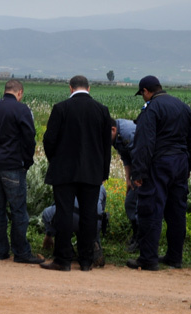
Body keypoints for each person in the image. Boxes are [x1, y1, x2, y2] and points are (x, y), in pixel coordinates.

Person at [41, 75, 112, 272]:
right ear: (89, 88)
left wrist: (54, 160)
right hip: (92, 173)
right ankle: (86, 260)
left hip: (64, 171)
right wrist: (103, 171)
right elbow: (107, 146)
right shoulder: (102, 110)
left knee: (64, 212)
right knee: (89, 214)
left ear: (70, 88)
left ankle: (63, 260)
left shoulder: (61, 108)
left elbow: (49, 140)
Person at [127, 75, 191, 271]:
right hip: (180, 162)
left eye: (142, 94)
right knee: (177, 211)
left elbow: (145, 143)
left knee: (151, 208)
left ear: (146, 91)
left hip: (160, 163)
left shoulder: (152, 108)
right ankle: (175, 257)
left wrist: (139, 172)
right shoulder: (183, 106)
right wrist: (190, 166)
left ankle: (148, 258)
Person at [0, 79, 44, 264]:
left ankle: (0, 251)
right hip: (14, 166)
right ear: (19, 92)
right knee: (18, 210)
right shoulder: (22, 110)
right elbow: (29, 137)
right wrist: (27, 161)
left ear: (5, 90)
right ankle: (21, 252)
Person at [41, 185, 107, 267]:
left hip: (72, 217)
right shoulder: (100, 187)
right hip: (93, 222)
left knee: (49, 213)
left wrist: (49, 234)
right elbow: (102, 212)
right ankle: (92, 246)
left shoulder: (69, 182)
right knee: (94, 219)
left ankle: (67, 249)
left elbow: (59, 204)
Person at [111, 118, 139, 253]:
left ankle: (140, 240)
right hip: (138, 171)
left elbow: (140, 155)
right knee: (130, 203)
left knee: (137, 204)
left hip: (147, 169)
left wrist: (138, 177)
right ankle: (137, 236)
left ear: (113, 130)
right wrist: (128, 179)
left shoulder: (127, 133)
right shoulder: (115, 136)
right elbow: (126, 157)